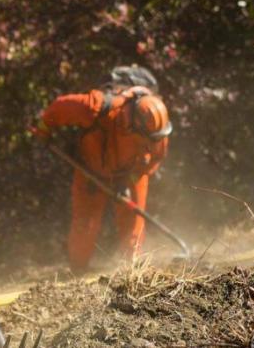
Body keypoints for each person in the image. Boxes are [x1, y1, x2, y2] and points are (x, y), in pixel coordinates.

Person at [33, 84, 171, 271]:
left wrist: (127, 181)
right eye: (146, 140)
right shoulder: (97, 108)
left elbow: (153, 160)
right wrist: (43, 129)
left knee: (133, 222)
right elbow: (59, 107)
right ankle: (78, 270)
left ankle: (131, 271)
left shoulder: (157, 132)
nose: (151, 145)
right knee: (85, 224)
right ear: (131, 126)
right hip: (91, 171)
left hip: (130, 174)